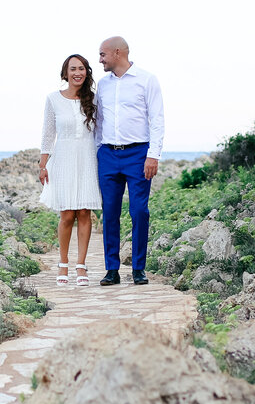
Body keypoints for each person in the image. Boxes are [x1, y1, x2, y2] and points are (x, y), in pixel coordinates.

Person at [94, 36, 163, 286]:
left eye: (103, 54)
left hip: (138, 155)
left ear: (117, 52)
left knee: (139, 212)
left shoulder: (147, 80)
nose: (100, 59)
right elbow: (99, 122)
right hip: (109, 155)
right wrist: (97, 152)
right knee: (110, 213)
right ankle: (112, 269)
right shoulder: (102, 85)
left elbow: (157, 119)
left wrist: (153, 154)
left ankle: (138, 268)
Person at [38, 54, 101, 285]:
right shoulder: (53, 99)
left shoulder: (94, 100)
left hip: (87, 158)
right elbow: (48, 134)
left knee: (84, 212)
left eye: (82, 68)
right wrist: (42, 164)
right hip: (63, 158)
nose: (78, 72)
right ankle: (62, 264)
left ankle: (81, 266)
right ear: (65, 73)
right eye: (73, 68)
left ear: (87, 72)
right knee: (67, 214)